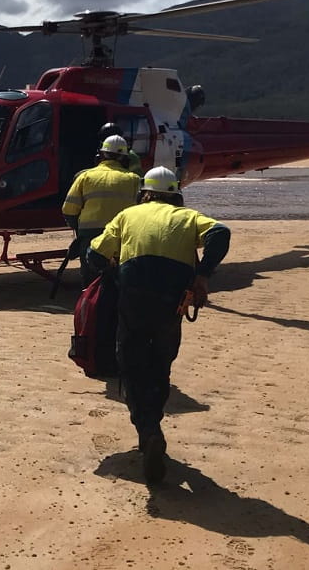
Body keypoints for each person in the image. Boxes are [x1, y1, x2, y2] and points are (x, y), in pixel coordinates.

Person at [86, 166, 231, 485]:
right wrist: (203, 274)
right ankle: (151, 427)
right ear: (175, 195)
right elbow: (221, 233)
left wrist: (112, 271)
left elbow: (93, 255)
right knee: (160, 364)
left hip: (133, 301)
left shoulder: (127, 216)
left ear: (145, 193)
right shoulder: (189, 217)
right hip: (171, 303)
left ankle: (148, 430)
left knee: (132, 365)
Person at [61, 135, 142, 287]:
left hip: (90, 238)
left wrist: (79, 230)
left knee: (90, 284)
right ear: (125, 158)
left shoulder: (85, 177)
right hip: (122, 238)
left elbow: (69, 209)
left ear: (101, 155)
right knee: (122, 282)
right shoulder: (134, 180)